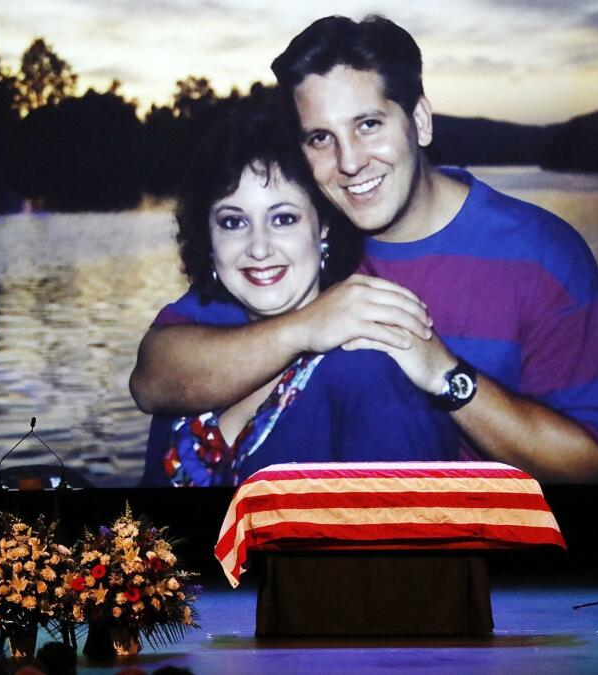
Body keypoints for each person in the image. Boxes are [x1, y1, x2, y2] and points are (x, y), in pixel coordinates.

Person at [130, 15, 598, 483]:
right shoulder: (301, 248)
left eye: (368, 125)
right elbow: (155, 376)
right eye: (321, 137)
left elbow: (595, 463)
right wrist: (308, 325)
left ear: (421, 121)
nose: (349, 162)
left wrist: (447, 376)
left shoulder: (541, 255)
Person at [139, 107, 457, 486]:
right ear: (208, 238)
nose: (259, 248)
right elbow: (146, 382)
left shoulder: (368, 368)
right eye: (233, 222)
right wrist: (305, 328)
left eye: (283, 218)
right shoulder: (199, 331)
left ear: (323, 225)